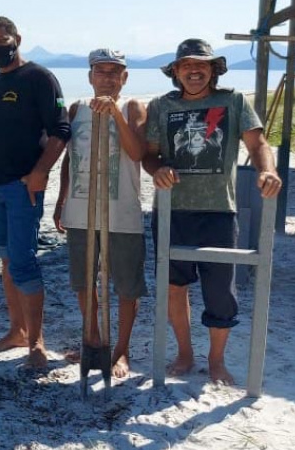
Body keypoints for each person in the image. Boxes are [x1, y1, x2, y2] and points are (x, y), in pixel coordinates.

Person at [143, 38, 282, 384]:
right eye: (187, 65)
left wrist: (268, 170)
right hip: (172, 211)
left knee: (220, 292)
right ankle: (185, 353)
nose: (194, 70)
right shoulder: (161, 106)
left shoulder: (232, 101)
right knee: (175, 286)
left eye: (201, 65)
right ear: (175, 71)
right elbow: (149, 153)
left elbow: (258, 143)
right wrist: (156, 169)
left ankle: (216, 361)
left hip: (219, 211)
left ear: (213, 70)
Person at [0, 16, 71, 368]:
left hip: (23, 187)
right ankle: (16, 330)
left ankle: (37, 342)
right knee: (6, 259)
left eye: (0, 40)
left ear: (17, 38)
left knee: (24, 262)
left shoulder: (40, 78)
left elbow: (60, 128)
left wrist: (39, 172)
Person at [52, 48, 147, 378]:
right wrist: (61, 198)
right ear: (90, 76)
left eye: (114, 72)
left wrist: (116, 115)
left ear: (124, 77)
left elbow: (136, 153)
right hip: (80, 209)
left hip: (122, 212)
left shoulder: (133, 106)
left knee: (126, 284)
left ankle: (121, 351)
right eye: (100, 71)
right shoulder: (76, 108)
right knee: (83, 280)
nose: (107, 77)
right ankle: (92, 340)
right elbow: (68, 157)